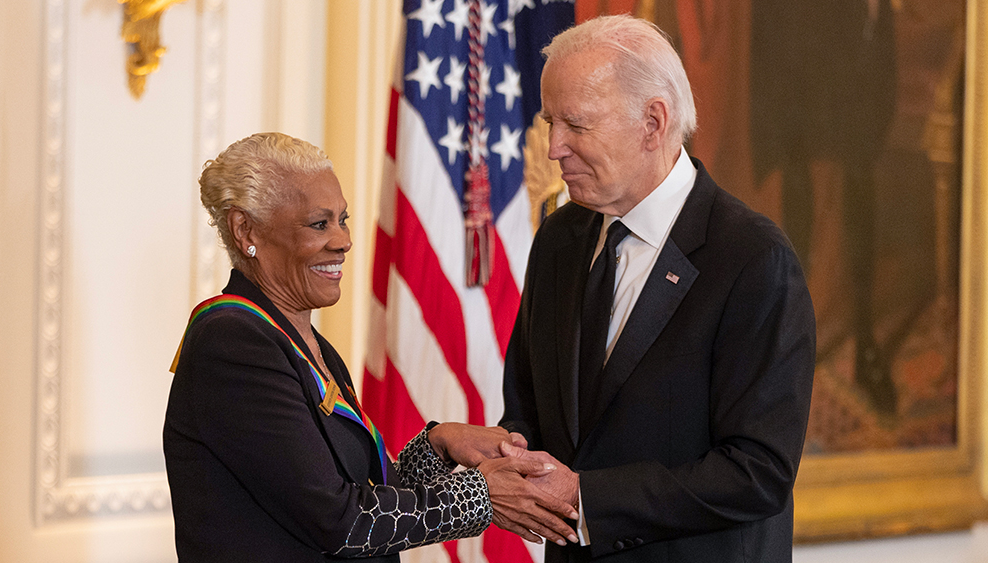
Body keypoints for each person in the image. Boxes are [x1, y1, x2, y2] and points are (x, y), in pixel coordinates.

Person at [163, 132, 579, 562]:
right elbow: (341, 523)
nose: (343, 240)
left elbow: (365, 498)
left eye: (343, 219)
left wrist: (437, 445)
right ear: (245, 228)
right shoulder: (232, 342)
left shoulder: (304, 343)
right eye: (318, 223)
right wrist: (482, 495)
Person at [499, 15, 816, 563]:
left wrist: (586, 498)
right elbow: (529, 408)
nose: (554, 148)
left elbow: (758, 471)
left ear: (652, 122)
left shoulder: (752, 259)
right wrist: (508, 457)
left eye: (576, 124)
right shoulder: (559, 238)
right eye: (551, 121)